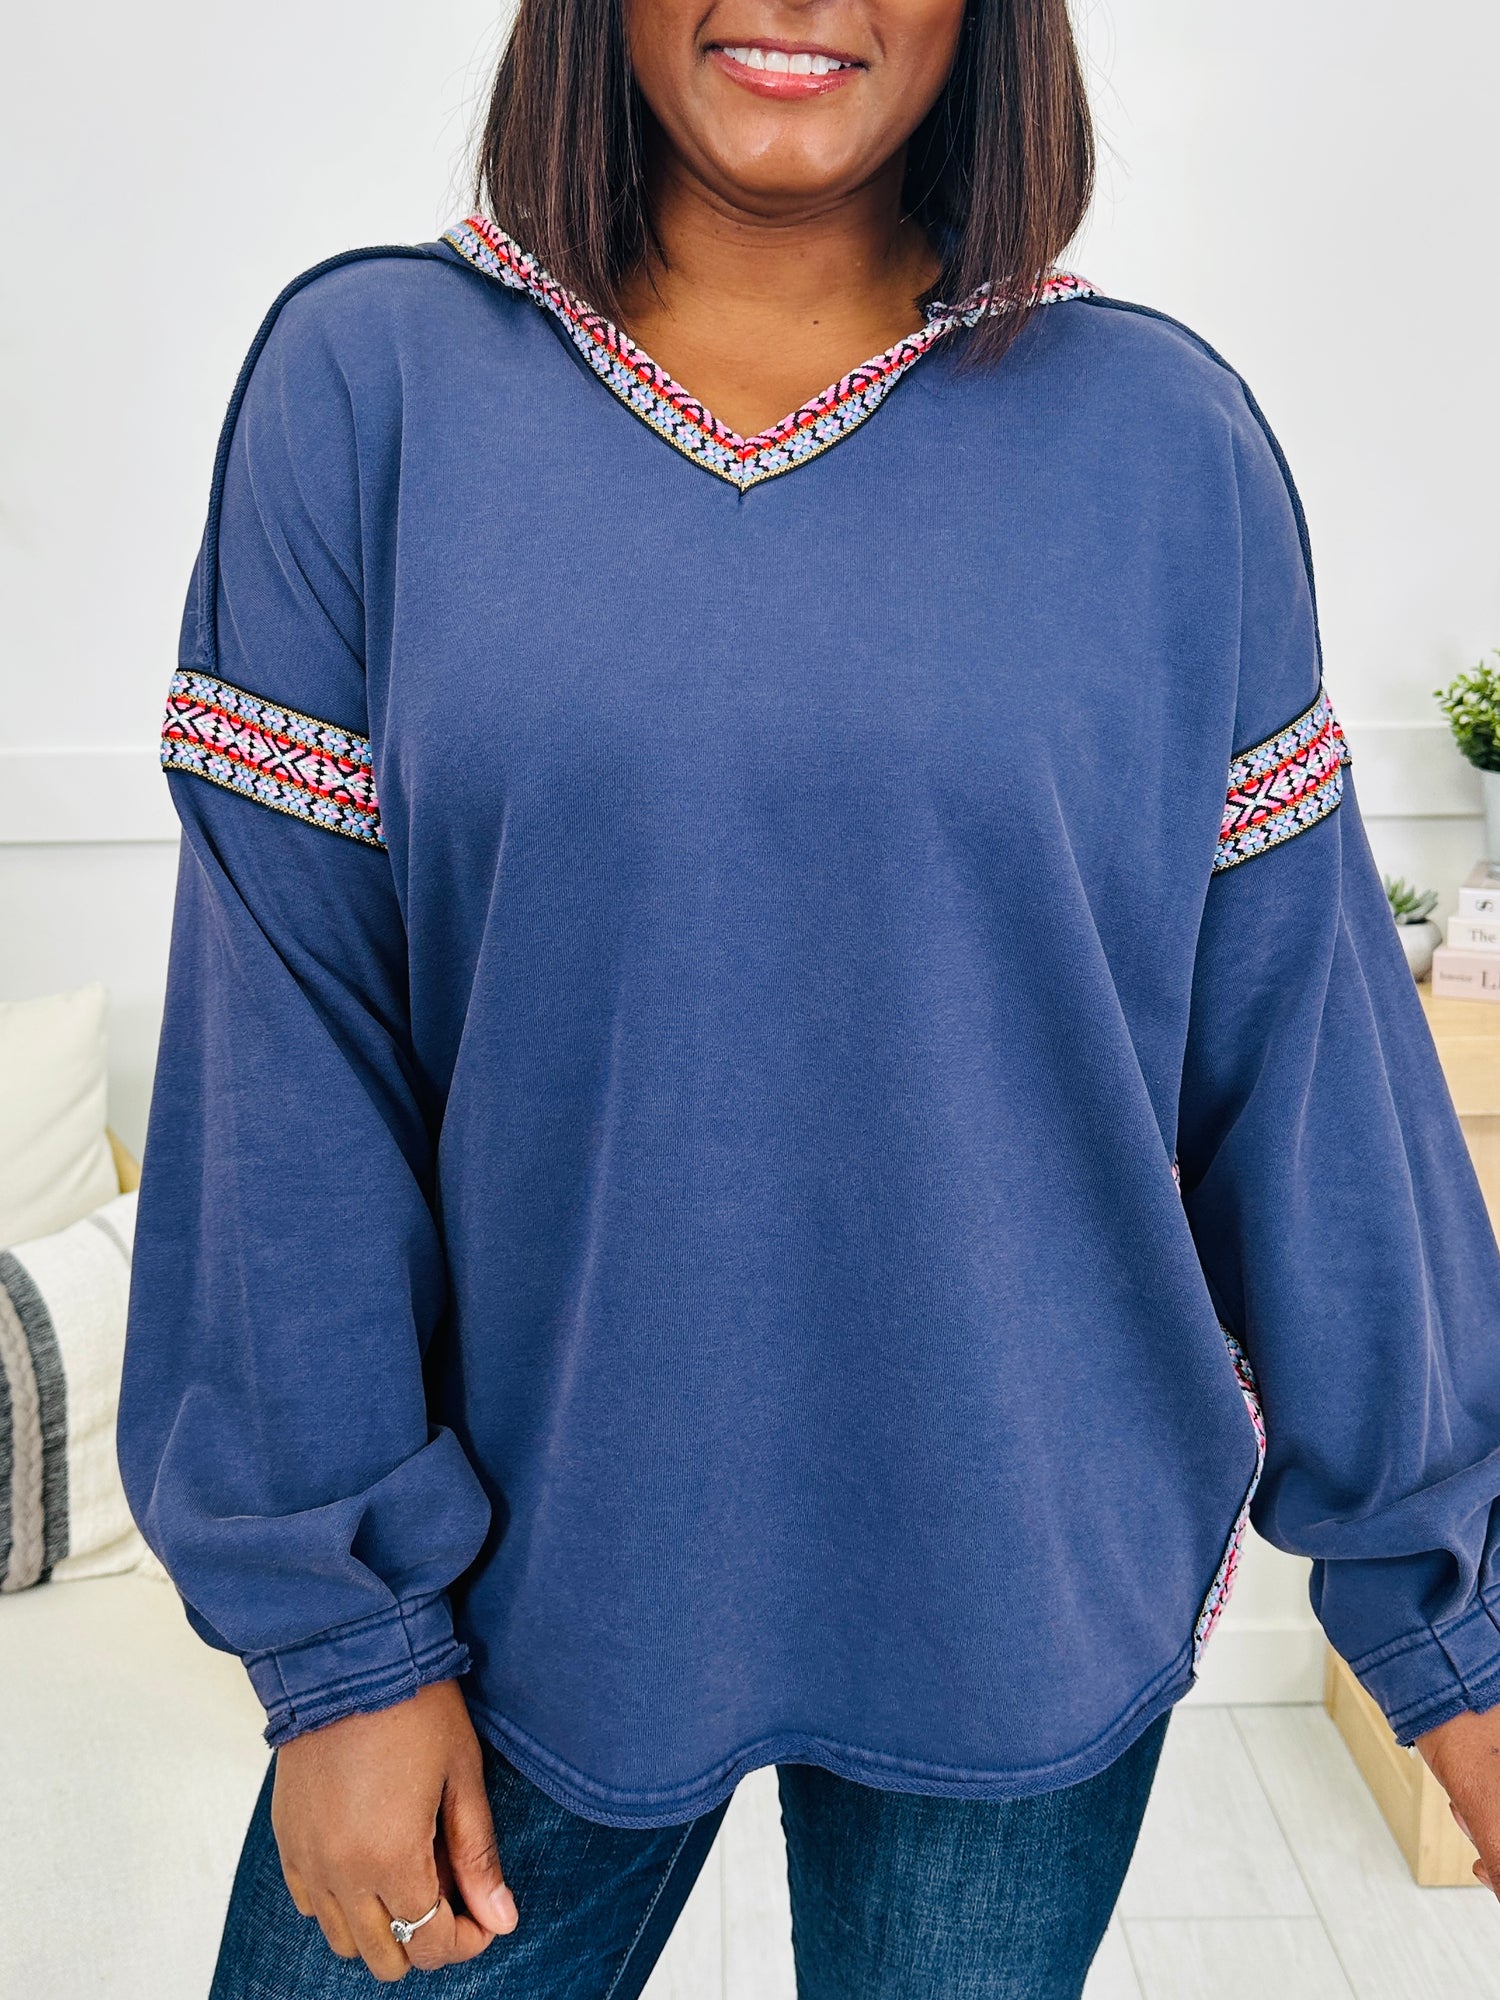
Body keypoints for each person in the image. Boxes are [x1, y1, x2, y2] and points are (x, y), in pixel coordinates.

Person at [117, 0, 1500, 1989]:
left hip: (1022, 1578)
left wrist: (1462, 1632)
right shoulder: (370, 388)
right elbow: (285, 1067)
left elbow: (1306, 1067)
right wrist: (343, 1648)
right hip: (513, 1594)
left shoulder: (1165, 443)